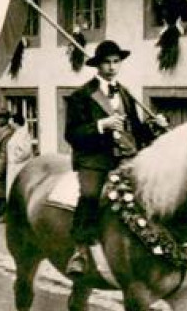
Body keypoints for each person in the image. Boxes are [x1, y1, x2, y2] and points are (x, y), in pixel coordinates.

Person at [64, 39, 168, 277]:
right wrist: (101, 125)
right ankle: (79, 250)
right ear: (97, 66)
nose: (111, 67)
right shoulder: (81, 96)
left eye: (116, 62)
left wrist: (155, 125)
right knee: (90, 196)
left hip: (126, 158)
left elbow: (137, 130)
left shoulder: (126, 93)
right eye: (106, 63)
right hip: (94, 161)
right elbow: (72, 134)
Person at [5, 112, 33, 196]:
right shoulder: (17, 133)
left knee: (18, 188)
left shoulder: (22, 134)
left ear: (16, 123)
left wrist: (15, 159)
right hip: (14, 166)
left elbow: (25, 151)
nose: (10, 124)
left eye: (12, 122)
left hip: (19, 166)